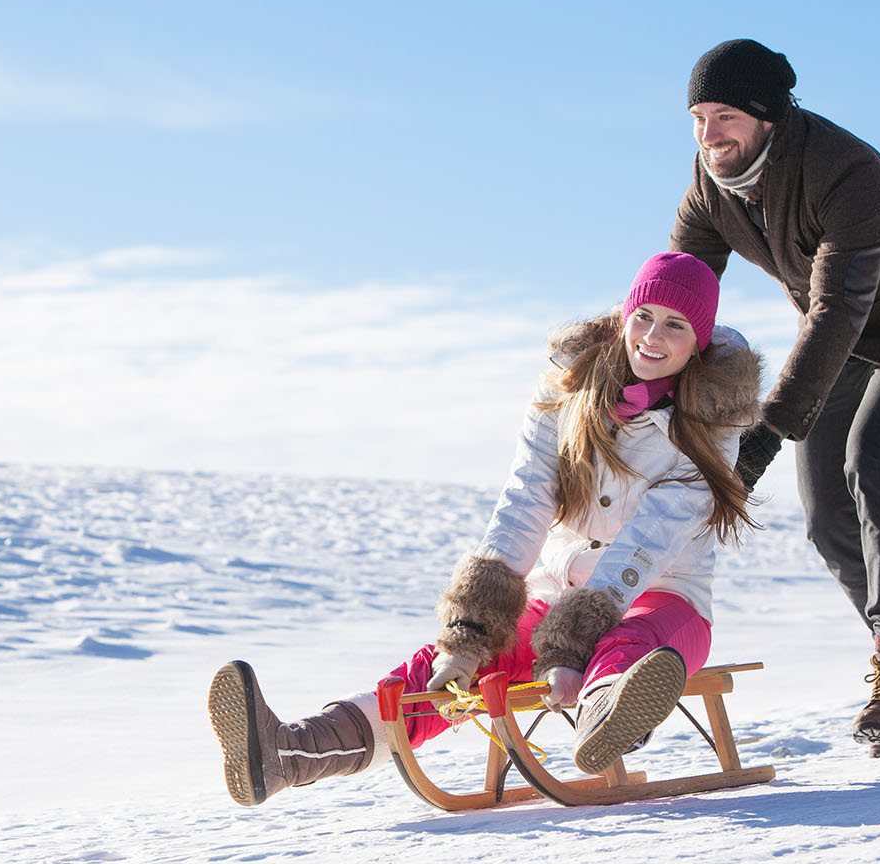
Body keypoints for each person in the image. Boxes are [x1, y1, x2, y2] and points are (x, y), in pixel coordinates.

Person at [207, 252, 764, 805]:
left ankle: (608, 716)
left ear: (700, 343)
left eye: (676, 325)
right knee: (452, 667)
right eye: (643, 316)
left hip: (667, 598)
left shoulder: (710, 422)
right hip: (561, 589)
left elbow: (652, 541)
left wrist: (570, 652)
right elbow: (525, 501)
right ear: (624, 317)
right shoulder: (565, 393)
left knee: (626, 643)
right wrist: (471, 630)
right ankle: (290, 753)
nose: (652, 336)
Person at [669, 39, 880, 756]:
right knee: (825, 514)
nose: (709, 134)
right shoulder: (710, 182)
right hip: (843, 340)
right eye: (698, 117)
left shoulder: (847, 171)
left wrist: (767, 430)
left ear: (769, 117)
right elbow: (678, 286)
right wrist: (629, 366)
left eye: (725, 116)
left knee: (874, 461)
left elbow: (838, 304)